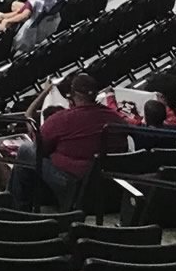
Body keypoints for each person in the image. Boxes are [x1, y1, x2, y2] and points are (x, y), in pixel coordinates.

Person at [11, 72, 124, 208]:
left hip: (73, 183)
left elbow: (40, 148)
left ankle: (17, 207)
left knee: (25, 150)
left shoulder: (62, 119)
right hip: (107, 184)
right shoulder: (115, 117)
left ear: (72, 95)